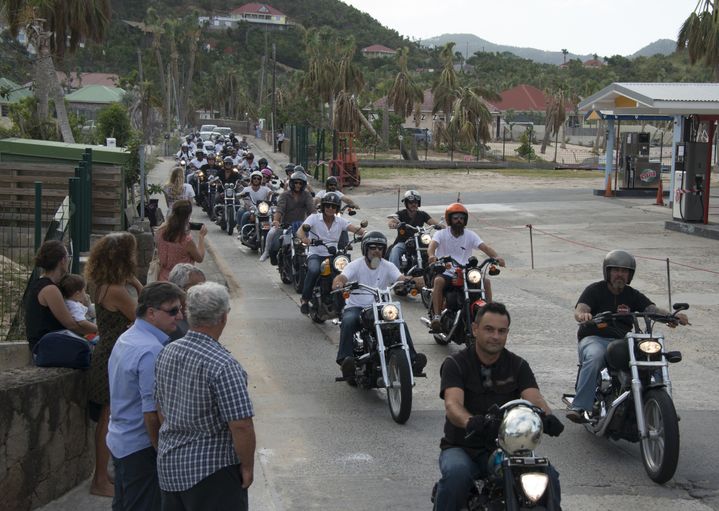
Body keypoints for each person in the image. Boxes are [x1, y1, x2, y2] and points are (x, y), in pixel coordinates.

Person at [435, 302, 563, 510]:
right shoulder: (456, 363)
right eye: (489, 329)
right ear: (475, 329)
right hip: (464, 447)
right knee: (456, 475)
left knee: (548, 475)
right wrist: (470, 422)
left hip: (509, 449)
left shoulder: (518, 365)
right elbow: (453, 404)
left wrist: (547, 416)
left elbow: (534, 398)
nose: (495, 336)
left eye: (501, 331)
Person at [155, 282, 255, 511]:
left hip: (170, 467)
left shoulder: (167, 351)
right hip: (212, 473)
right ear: (223, 318)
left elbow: (160, 408)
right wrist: (247, 467)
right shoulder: (223, 364)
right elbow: (241, 426)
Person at [567, 250, 689, 424]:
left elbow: (651, 310)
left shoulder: (632, 295)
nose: (620, 274)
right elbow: (581, 308)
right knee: (595, 357)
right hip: (595, 338)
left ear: (630, 274)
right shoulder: (594, 290)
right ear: (607, 272)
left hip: (624, 340)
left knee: (652, 357)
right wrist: (583, 315)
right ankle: (580, 406)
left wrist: (671, 316)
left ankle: (663, 407)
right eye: (616, 270)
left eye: (624, 271)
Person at [107, 282, 186, 511]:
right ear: (151, 313)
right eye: (173, 311)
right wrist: (162, 452)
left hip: (120, 439)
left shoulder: (127, 338)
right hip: (139, 448)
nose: (179, 316)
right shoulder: (152, 351)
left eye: (180, 310)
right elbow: (151, 413)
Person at [85, 232, 144, 498]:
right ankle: (99, 480)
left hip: (105, 354)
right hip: (112, 357)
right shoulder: (118, 291)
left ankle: (102, 474)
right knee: (108, 419)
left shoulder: (100, 284)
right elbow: (141, 316)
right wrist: (138, 284)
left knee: (106, 418)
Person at [332, 231, 427, 378]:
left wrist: (413, 280)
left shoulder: (387, 266)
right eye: (373, 247)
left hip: (381, 306)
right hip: (357, 306)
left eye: (380, 248)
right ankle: (345, 360)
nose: (376, 250)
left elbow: (400, 278)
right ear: (365, 249)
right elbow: (342, 277)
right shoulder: (355, 265)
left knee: (399, 322)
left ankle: (413, 360)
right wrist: (339, 283)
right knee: (348, 321)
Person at [427, 203, 505, 332]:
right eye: (456, 218)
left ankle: (490, 314)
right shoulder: (441, 234)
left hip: (465, 272)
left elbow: (484, 247)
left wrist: (496, 257)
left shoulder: (470, 235)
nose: (459, 220)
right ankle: (437, 316)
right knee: (438, 281)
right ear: (449, 219)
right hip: (447, 271)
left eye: (462, 218)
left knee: (485, 281)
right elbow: (432, 245)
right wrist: (431, 255)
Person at [298, 192, 366, 314]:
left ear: (337, 208)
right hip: (316, 254)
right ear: (323, 206)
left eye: (333, 206)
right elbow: (301, 231)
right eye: (328, 205)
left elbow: (354, 229)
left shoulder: (340, 221)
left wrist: (366, 234)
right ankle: (305, 299)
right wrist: (305, 239)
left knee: (348, 273)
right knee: (313, 270)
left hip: (333, 256)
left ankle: (350, 302)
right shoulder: (314, 218)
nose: (330, 208)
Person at [25, 240, 97, 351]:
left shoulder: (45, 283)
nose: (68, 260)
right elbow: (72, 325)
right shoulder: (50, 289)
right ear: (63, 260)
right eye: (68, 257)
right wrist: (100, 330)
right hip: (46, 348)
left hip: (52, 343)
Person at [259, 170, 314, 263]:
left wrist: (316, 220)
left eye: (300, 183)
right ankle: (266, 252)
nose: (298, 185)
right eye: (296, 182)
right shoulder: (285, 195)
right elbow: (280, 209)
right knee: (272, 236)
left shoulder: (306, 195)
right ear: (292, 183)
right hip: (285, 226)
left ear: (303, 184)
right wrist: (276, 220)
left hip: (302, 227)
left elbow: (311, 210)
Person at [387, 189, 441, 270]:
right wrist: (395, 224)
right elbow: (391, 221)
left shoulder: (422, 214)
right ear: (406, 203)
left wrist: (443, 226)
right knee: (395, 251)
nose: (414, 204)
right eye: (411, 202)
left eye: (416, 202)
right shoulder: (401, 214)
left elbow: (433, 222)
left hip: (420, 241)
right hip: (404, 242)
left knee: (434, 249)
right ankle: (394, 274)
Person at [155, 200, 207, 282]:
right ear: (188, 216)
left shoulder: (160, 232)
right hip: (181, 281)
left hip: (162, 278)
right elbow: (199, 258)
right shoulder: (186, 240)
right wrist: (201, 237)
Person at [167, 264, 206, 342]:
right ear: (180, 289)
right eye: (197, 288)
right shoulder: (174, 325)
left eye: (204, 287)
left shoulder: (198, 314)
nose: (204, 292)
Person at [58, 273, 99, 340]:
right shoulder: (75, 306)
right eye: (84, 291)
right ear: (77, 294)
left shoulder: (67, 302)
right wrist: (97, 328)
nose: (85, 293)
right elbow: (82, 322)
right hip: (81, 335)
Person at [238, 170, 273, 235]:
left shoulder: (265, 189)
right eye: (254, 178)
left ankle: (272, 233)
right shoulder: (246, 189)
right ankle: (243, 233)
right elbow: (240, 195)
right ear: (251, 179)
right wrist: (239, 195)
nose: (256, 180)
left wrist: (273, 194)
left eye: (258, 178)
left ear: (261, 180)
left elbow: (270, 192)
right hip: (251, 209)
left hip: (263, 209)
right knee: (245, 215)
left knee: (273, 215)